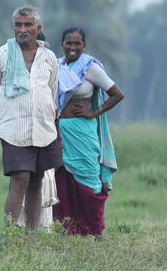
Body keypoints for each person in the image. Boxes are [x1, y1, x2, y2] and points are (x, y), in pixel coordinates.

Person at [0, 6, 61, 231]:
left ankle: (31, 234)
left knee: (37, 180)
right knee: (20, 179)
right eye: (18, 25)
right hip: (14, 130)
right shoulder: (0, 56)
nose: (22, 29)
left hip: (44, 129)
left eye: (28, 25)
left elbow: (52, 91)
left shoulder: (48, 57)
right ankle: (10, 234)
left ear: (38, 28)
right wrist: (6, 111)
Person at [52, 27, 124, 237]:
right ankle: (67, 230)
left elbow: (117, 94)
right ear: (62, 44)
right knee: (62, 181)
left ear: (84, 46)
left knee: (90, 181)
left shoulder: (90, 68)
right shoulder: (55, 66)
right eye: (68, 43)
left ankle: (94, 231)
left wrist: (95, 112)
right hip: (59, 132)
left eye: (77, 44)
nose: (72, 47)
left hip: (83, 132)